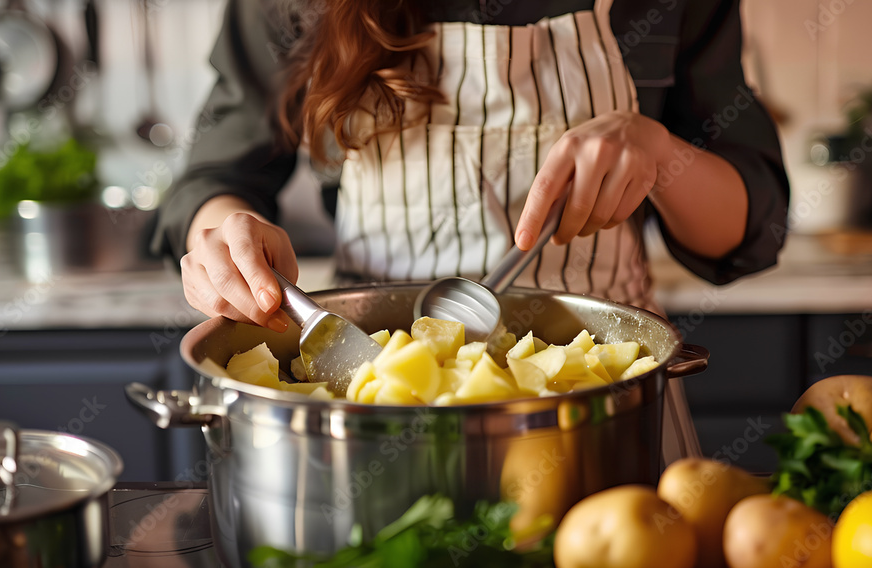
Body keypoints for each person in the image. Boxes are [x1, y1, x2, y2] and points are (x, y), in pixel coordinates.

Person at [151, 0, 789, 458]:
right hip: (359, 422)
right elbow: (212, 177)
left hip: (602, 425)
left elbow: (749, 227)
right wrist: (221, 234)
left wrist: (658, 152)